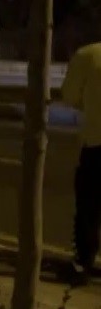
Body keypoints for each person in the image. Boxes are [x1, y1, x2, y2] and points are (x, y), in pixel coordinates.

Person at [62, 41, 101, 283]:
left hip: (97, 142)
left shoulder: (88, 55)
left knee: (89, 204)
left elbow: (70, 97)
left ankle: (83, 262)